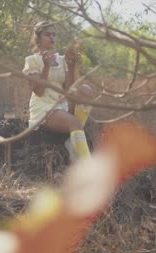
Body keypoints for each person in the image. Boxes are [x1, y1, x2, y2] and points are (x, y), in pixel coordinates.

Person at [22, 20, 94, 160]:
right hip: (44, 107)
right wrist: (46, 66)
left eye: (54, 35)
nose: (52, 38)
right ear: (38, 38)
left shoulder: (62, 60)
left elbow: (69, 89)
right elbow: (39, 91)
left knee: (86, 90)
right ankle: (88, 166)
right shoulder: (32, 61)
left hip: (62, 104)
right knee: (75, 123)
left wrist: (72, 66)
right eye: (47, 34)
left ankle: (73, 137)